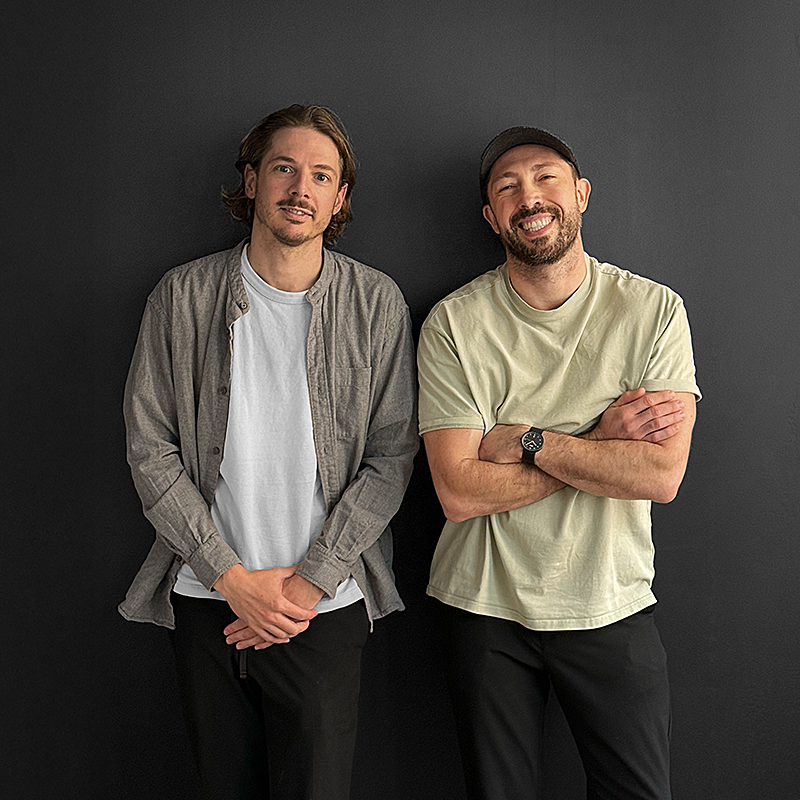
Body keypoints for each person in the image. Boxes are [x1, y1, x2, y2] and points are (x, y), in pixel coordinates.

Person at [119, 104, 418, 800]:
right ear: (251, 179)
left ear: (339, 198)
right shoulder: (182, 297)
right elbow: (149, 449)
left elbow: (392, 455)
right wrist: (230, 578)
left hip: (325, 604)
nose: (300, 187)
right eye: (284, 167)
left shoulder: (376, 304)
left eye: (321, 175)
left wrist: (309, 582)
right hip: (206, 598)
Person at [417, 126, 700, 800]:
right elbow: (458, 490)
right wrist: (603, 443)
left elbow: (660, 476)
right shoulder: (454, 323)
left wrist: (533, 439)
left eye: (546, 177)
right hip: (484, 608)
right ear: (491, 216)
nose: (529, 196)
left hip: (612, 602)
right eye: (507, 187)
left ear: (580, 194)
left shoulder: (655, 311)